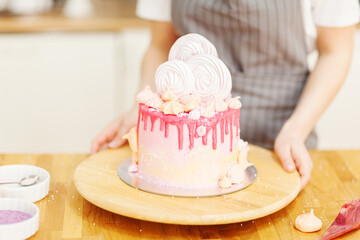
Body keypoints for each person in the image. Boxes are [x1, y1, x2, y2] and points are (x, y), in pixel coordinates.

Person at [91, 0, 359, 190]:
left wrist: (296, 130)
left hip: (282, 141)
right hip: (186, 153)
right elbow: (160, 46)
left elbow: (336, 51)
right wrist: (142, 107)